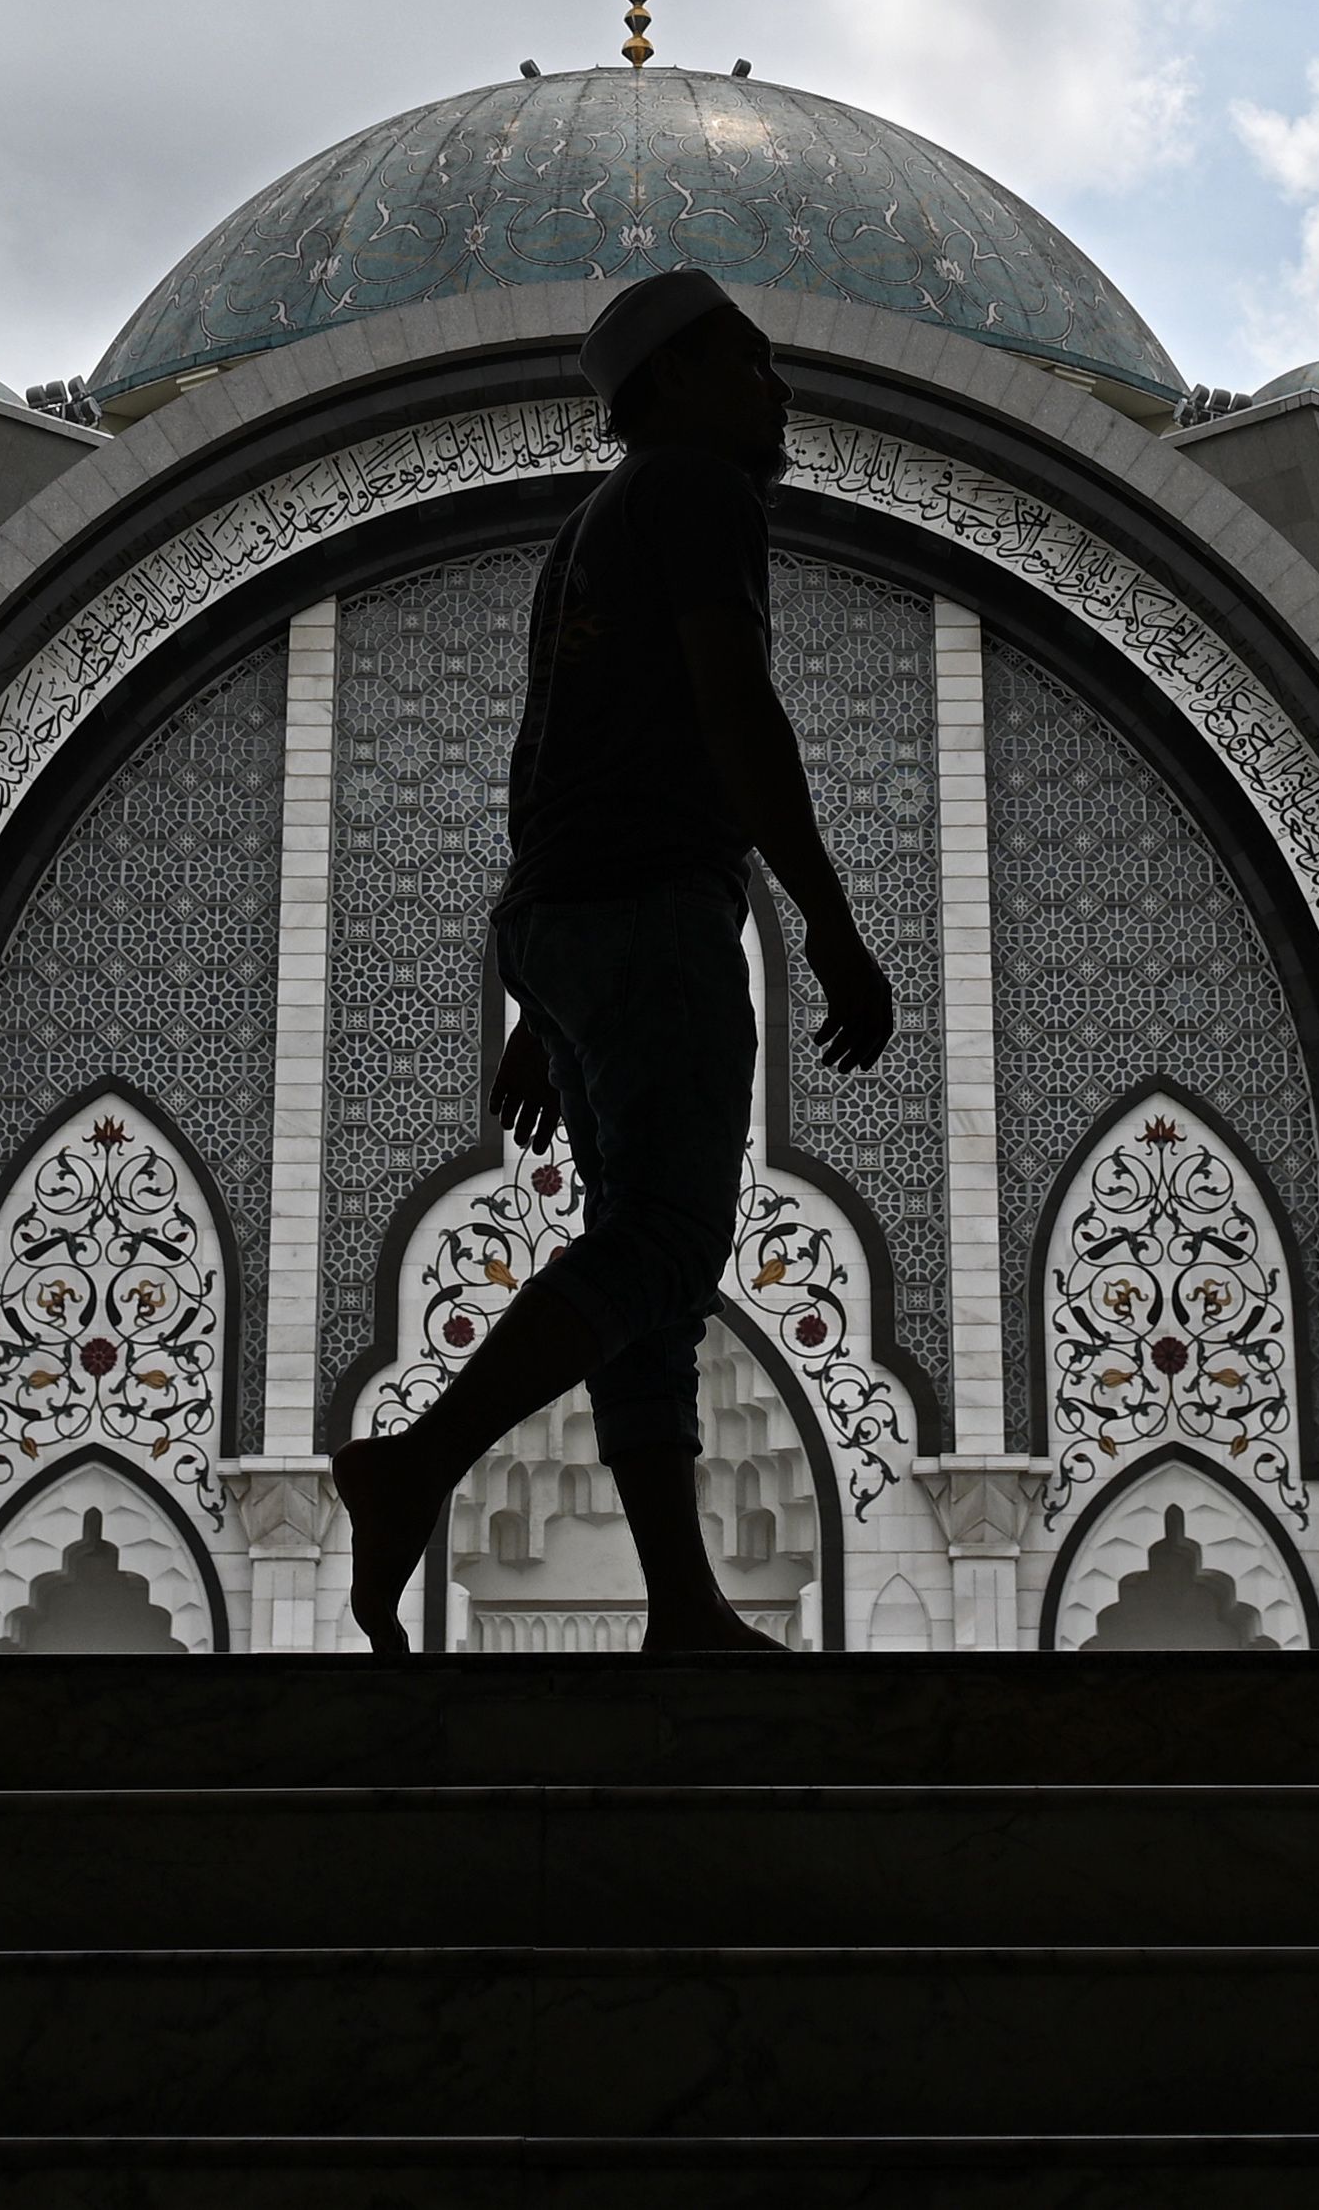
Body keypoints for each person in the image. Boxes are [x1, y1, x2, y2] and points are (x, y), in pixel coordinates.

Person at [331, 267, 896, 1655]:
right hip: (649, 910)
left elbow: (553, 761)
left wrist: (545, 997)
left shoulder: (586, 531)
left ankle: (684, 1603)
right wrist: (827, 919)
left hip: (576, 919)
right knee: (667, 1239)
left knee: (646, 1276)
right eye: (752, 364)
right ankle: (417, 1460)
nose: (780, 392)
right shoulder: (697, 497)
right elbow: (732, 706)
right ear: (682, 384)